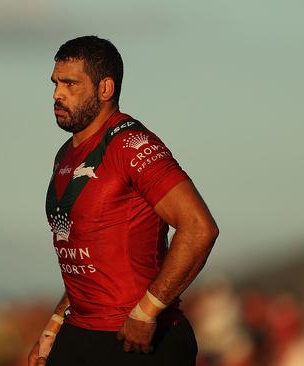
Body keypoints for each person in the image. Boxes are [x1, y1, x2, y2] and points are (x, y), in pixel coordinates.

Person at [28, 35, 219, 366]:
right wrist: (52, 329)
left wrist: (147, 312)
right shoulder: (66, 154)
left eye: (70, 84)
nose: (57, 94)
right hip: (80, 332)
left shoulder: (131, 145)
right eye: (56, 83)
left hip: (136, 338)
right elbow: (87, 256)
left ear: (105, 89)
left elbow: (199, 228)